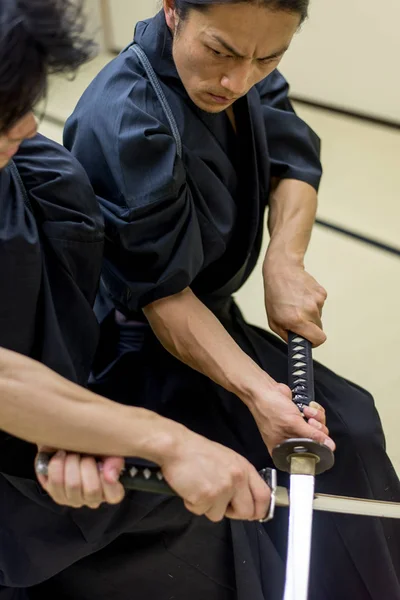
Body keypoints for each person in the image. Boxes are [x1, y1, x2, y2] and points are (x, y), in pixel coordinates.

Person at [61, 0, 400, 598]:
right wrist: (260, 396)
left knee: (352, 431)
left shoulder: (241, 63)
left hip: (212, 316)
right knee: (236, 519)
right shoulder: (127, 120)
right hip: (145, 347)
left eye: (268, 58)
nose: (238, 80)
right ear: (173, 10)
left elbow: (293, 158)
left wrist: (284, 261)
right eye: (221, 52)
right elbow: (164, 300)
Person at [0, 2, 272, 598]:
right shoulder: (128, 114)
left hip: (61, 405)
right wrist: (159, 439)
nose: (25, 127)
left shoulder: (28, 160)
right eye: (3, 117)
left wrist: (66, 421)